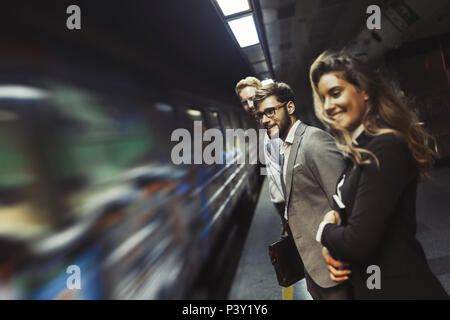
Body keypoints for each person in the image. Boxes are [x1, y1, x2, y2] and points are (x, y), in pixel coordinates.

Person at [310, 50, 448, 299]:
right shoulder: (360, 150)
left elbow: (358, 242)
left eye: (335, 92)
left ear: (363, 91)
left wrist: (323, 232)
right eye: (323, 98)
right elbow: (351, 225)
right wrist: (331, 246)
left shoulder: (384, 147)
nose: (329, 106)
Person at [253, 81, 352, 299]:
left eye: (270, 111)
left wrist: (344, 256)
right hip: (312, 267)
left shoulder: (313, 141)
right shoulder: (282, 147)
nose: (264, 120)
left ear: (289, 107)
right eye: (259, 115)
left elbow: (345, 203)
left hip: (335, 267)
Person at [235, 77, 285, 220]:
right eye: (244, 102)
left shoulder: (277, 121)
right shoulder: (263, 124)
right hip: (281, 202)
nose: (250, 105)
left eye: (252, 98)